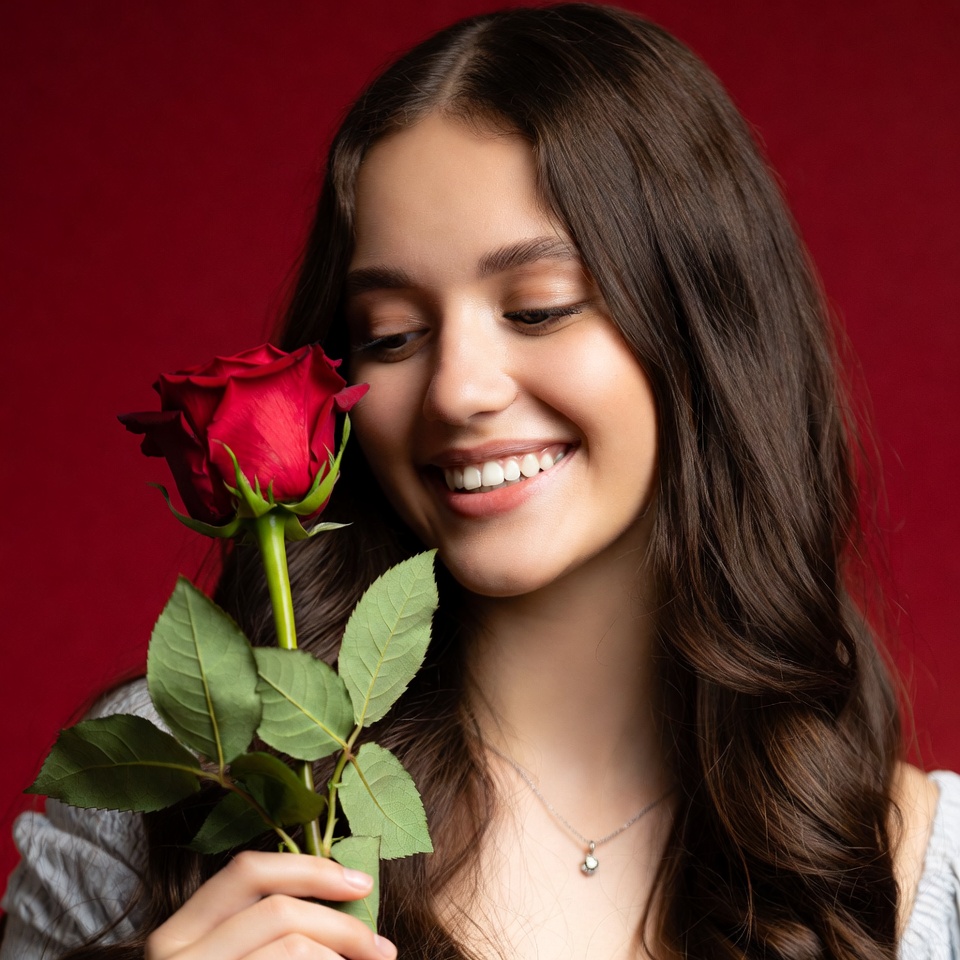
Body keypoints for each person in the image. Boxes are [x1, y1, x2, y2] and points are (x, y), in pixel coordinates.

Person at [2, 5, 958, 959]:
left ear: (706, 328)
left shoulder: (928, 877)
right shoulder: (179, 779)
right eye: (391, 335)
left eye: (537, 309)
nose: (457, 389)